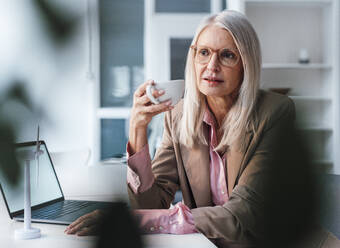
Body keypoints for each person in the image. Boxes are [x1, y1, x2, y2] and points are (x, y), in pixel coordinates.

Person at [65, 10, 340, 247]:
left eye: (227, 55)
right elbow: (150, 206)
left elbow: (240, 216)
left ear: (246, 64)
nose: (211, 66)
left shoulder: (274, 112)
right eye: (204, 53)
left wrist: (131, 222)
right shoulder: (179, 116)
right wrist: (137, 130)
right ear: (193, 58)